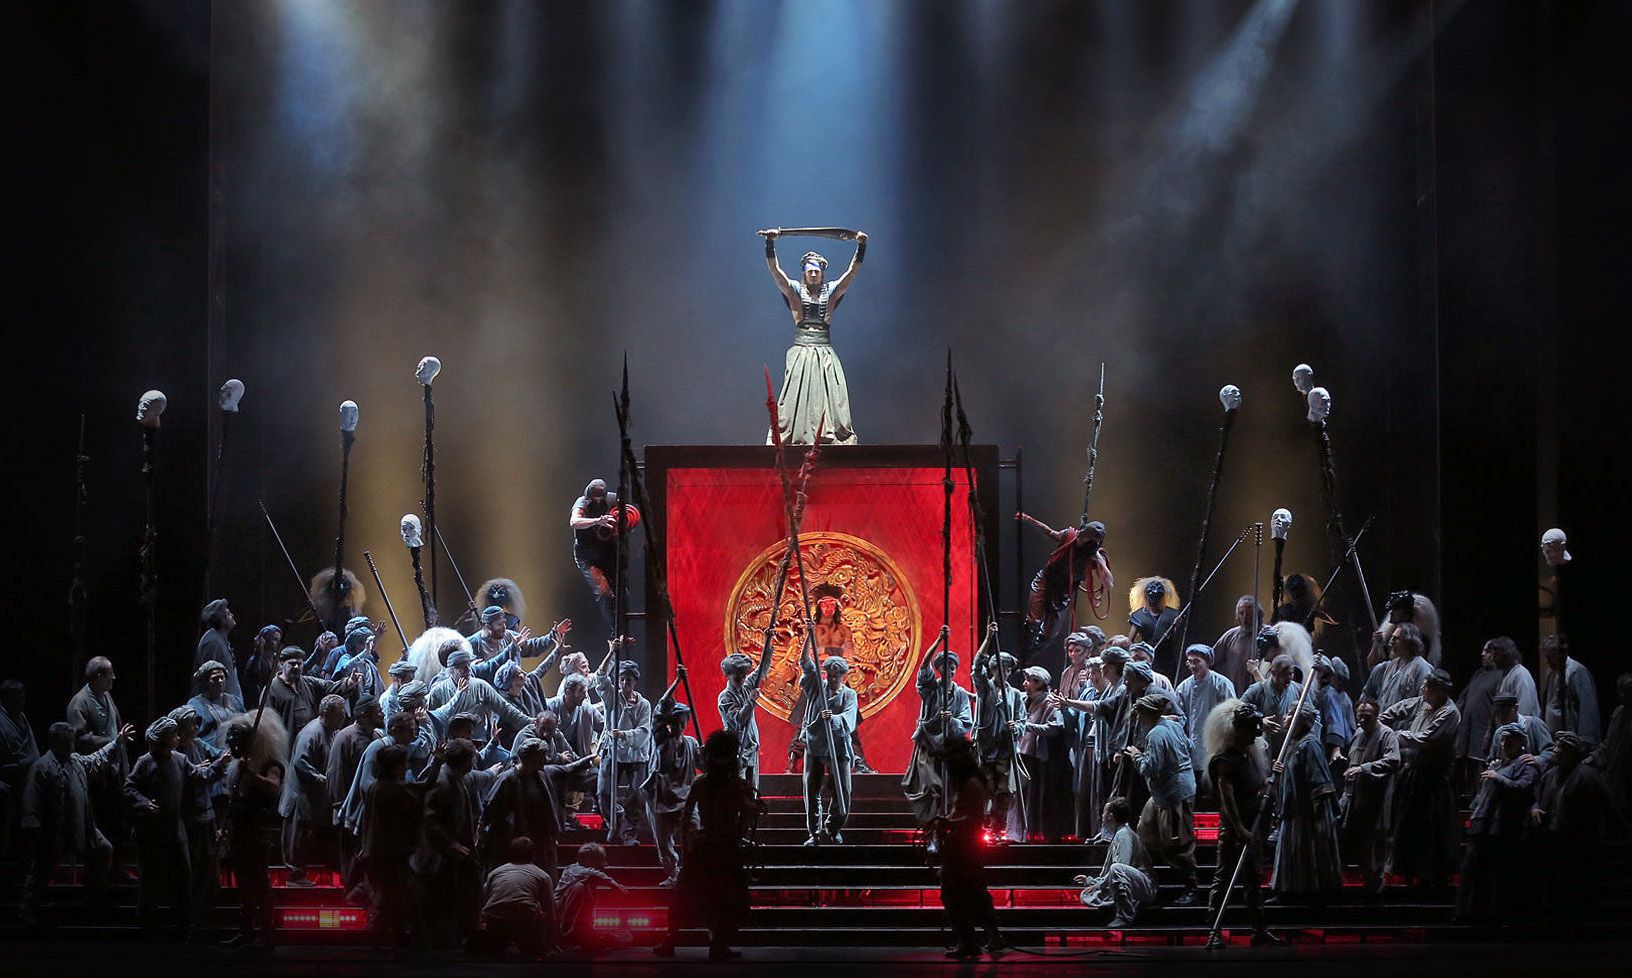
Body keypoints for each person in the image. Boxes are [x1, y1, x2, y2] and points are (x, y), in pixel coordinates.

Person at [654, 730, 767, 961]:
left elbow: (686, 818)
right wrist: (753, 808)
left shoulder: (704, 782)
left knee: (689, 897)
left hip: (705, 846)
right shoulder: (735, 785)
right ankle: (713, 944)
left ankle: (674, 941)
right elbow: (748, 810)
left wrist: (688, 846)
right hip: (722, 848)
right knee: (721, 899)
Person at [18, 720, 133, 924]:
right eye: (65, 742)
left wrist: (116, 742)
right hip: (53, 828)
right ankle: (28, 910)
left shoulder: (76, 761)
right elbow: (31, 800)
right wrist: (32, 826)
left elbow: (96, 759)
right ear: (55, 743)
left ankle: (94, 899)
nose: (70, 746)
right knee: (42, 868)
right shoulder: (42, 767)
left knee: (103, 850)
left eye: (71, 742)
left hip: (81, 824)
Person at [762, 227, 866, 446]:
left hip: (824, 351)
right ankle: (794, 438)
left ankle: (830, 435)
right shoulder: (795, 290)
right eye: (810, 271)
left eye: (816, 271)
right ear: (804, 273)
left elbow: (851, 274)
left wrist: (861, 246)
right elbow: (775, 271)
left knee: (832, 398)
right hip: (801, 350)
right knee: (794, 397)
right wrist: (770, 243)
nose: (813, 274)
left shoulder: (831, 291)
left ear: (822, 273)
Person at [124, 716, 228, 935]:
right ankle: (148, 921)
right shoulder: (145, 762)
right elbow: (129, 788)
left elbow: (200, 776)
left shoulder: (180, 759)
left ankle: (183, 920)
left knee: (183, 875)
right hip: (152, 831)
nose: (178, 738)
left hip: (176, 829)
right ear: (165, 739)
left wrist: (220, 764)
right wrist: (144, 803)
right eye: (174, 735)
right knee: (152, 877)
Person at [1203, 701, 1281, 948]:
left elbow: (1254, 788)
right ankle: (1214, 931)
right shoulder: (1225, 760)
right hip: (1233, 828)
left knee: (1253, 880)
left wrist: (1269, 780)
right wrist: (1239, 829)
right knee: (1224, 877)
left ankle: (1259, 930)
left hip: (1251, 825)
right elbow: (1227, 798)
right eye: (1251, 728)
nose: (1255, 733)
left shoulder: (1248, 756)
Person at [1532, 731, 1625, 931]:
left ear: (1572, 753)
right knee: (1555, 881)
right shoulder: (1551, 775)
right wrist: (1536, 808)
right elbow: (1537, 798)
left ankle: (1575, 922)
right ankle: (1557, 918)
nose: (1555, 751)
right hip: (1554, 838)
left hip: (1578, 840)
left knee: (1576, 882)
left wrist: (1619, 828)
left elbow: (1608, 803)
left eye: (1560, 748)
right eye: (1556, 746)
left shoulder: (1588, 775)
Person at [1380, 669, 1461, 894]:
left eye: (1427, 687)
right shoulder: (1424, 702)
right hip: (1413, 775)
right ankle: (1409, 872)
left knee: (1431, 830)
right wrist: (1380, 720)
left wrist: (1393, 736)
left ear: (1438, 690)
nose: (1422, 690)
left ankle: (1432, 878)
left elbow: (1425, 738)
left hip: (1433, 779)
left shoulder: (1449, 713)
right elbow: (1401, 708)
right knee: (1408, 826)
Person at [1455, 723, 1540, 925]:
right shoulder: (1498, 765)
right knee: (1472, 872)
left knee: (1496, 874)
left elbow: (1524, 788)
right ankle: (1468, 913)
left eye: (1510, 740)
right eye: (1503, 740)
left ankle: (1493, 916)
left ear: (1520, 742)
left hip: (1501, 828)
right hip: (1483, 825)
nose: (1505, 744)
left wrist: (1498, 778)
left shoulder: (1525, 765)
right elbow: (1482, 796)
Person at [929, 739, 1005, 960]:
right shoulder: (967, 783)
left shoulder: (971, 784)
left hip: (965, 848)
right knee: (974, 893)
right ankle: (987, 937)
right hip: (961, 846)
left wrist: (948, 823)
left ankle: (970, 941)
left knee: (956, 895)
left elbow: (972, 819)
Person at [482, 737, 596, 880]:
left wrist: (585, 761)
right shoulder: (508, 779)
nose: (545, 760)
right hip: (515, 840)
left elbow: (567, 769)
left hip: (540, 839)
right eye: (542, 757)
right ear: (531, 759)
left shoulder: (543, 774)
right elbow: (490, 809)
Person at [1125, 692, 1200, 904]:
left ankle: (1191, 887)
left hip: (1174, 794)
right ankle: (1150, 878)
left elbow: (1150, 768)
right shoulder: (1172, 726)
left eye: (1140, 715)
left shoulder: (1155, 735)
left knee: (1177, 842)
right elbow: (1190, 747)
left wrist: (1136, 756)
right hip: (1166, 792)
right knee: (1145, 830)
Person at [411, 737, 483, 949]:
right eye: (471, 759)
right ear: (464, 761)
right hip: (434, 860)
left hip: (447, 858)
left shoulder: (455, 777)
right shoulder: (442, 782)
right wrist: (452, 845)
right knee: (435, 909)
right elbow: (430, 821)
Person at [220, 716, 284, 950]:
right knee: (244, 885)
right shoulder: (237, 766)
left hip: (258, 833)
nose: (234, 749)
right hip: (239, 832)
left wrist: (252, 775)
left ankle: (267, 933)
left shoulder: (270, 764)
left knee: (259, 883)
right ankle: (246, 931)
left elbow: (273, 787)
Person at [1269, 704, 1343, 904]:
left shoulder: (1310, 745)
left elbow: (1319, 780)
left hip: (1307, 813)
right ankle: (1288, 891)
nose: (1285, 717)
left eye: (1290, 714)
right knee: (1293, 851)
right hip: (1293, 810)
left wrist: (1318, 815)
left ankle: (1310, 894)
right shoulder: (1294, 743)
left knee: (1308, 851)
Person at [1013, 513, 1113, 660]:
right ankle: (1020, 655)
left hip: (1063, 591)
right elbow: (1049, 532)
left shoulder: (1094, 557)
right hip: (1046, 580)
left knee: (1048, 634)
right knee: (1033, 621)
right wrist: (1029, 519)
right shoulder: (1070, 536)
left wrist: (1099, 561)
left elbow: (1108, 583)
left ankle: (1025, 657)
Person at [903, 626, 975, 825]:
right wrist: (939, 640)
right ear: (939, 669)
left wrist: (951, 720)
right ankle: (930, 821)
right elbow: (924, 666)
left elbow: (965, 722)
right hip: (928, 743)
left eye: (952, 667)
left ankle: (946, 821)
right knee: (929, 785)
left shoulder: (960, 694)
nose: (949, 670)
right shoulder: (930, 688)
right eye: (945, 667)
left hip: (949, 747)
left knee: (949, 786)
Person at [277, 693, 347, 886]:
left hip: (315, 797)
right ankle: (295, 876)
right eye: (340, 713)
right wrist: (320, 777)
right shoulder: (312, 732)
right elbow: (301, 762)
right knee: (296, 837)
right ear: (327, 714)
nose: (344, 716)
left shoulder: (331, 731)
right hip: (300, 796)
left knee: (309, 837)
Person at [356, 744, 420, 950]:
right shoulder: (393, 791)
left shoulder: (376, 787)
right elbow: (419, 795)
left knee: (386, 897)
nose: (406, 767)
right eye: (403, 763)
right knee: (388, 898)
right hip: (390, 853)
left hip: (377, 852)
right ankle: (379, 940)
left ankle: (384, 939)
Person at [1336, 699, 1399, 896]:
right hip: (1353, 798)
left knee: (1372, 844)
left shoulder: (1386, 734)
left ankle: (1375, 887)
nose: (1363, 720)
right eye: (1360, 716)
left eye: (1367, 717)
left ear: (1376, 715)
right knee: (1351, 840)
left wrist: (1364, 768)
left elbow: (1393, 760)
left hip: (1375, 800)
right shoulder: (1358, 733)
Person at [595, 647, 654, 845]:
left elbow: (644, 730)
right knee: (603, 792)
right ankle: (616, 820)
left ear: (634, 681)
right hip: (613, 752)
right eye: (621, 679)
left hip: (636, 755)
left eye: (628, 680)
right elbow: (601, 677)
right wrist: (611, 652)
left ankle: (629, 833)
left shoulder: (644, 704)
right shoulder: (612, 696)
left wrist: (624, 734)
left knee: (636, 794)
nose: (624, 683)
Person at [799, 652, 859, 845]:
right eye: (829, 675)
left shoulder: (849, 695)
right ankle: (814, 832)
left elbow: (850, 718)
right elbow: (805, 664)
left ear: (843, 676)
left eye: (836, 676)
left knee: (843, 789)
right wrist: (807, 638)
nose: (832, 679)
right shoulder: (817, 687)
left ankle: (834, 827)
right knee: (811, 788)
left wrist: (833, 719)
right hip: (815, 744)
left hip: (838, 746)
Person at [66, 656, 129, 838]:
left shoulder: (106, 695)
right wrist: (110, 741)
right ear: (99, 676)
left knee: (117, 820)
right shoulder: (79, 703)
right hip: (96, 774)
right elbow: (79, 739)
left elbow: (116, 725)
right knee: (102, 820)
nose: (114, 677)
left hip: (114, 770)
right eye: (110, 674)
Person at [646, 678, 700, 885]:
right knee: (664, 842)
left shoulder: (691, 744)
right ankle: (673, 874)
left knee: (694, 832)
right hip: (662, 798)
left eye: (681, 723)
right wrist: (677, 681)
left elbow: (704, 765)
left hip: (685, 799)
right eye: (674, 723)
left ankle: (691, 871)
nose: (678, 727)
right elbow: (660, 710)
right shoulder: (661, 740)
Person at [971, 629, 1024, 836]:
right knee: (985, 787)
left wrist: (1015, 727)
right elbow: (976, 667)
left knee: (1003, 790)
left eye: (1008, 669)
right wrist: (988, 638)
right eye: (1001, 669)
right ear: (993, 669)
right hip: (986, 746)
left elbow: (1022, 719)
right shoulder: (985, 688)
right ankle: (981, 826)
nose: (1004, 673)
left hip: (1004, 748)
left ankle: (999, 827)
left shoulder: (1015, 694)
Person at [1075, 796, 1156, 928]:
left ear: (1110, 816)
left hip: (1144, 886)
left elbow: (1120, 869)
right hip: (1135, 882)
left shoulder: (1123, 835)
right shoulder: (1119, 833)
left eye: (1104, 812)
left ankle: (1125, 916)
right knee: (1088, 894)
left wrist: (1098, 885)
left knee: (1116, 868)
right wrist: (1092, 881)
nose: (1102, 816)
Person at [327, 694, 383, 884]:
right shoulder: (345, 737)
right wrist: (340, 806)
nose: (382, 714)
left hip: (367, 812)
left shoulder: (376, 736)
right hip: (348, 811)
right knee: (350, 861)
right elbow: (335, 773)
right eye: (377, 711)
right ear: (364, 715)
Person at [429, 647, 534, 749]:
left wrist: (529, 722)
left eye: (469, 665)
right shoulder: (438, 691)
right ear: (452, 670)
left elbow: (504, 709)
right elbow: (431, 721)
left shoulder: (481, 686)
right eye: (462, 667)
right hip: (451, 746)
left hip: (477, 743)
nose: (468, 670)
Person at [479, 837, 557, 958]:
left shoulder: (495, 873)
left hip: (496, 921)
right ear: (533, 854)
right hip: (524, 923)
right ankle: (538, 948)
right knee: (541, 914)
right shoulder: (542, 875)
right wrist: (552, 939)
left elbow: (485, 899)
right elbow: (550, 908)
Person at [1013, 665, 1065, 841]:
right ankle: (1024, 831)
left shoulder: (1048, 702)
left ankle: (1038, 832)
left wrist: (1027, 726)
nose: (1024, 684)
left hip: (1039, 757)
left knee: (1038, 796)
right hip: (1024, 753)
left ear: (1039, 683)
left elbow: (1055, 727)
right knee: (1023, 794)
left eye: (1028, 681)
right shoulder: (1026, 700)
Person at [1176, 643, 1237, 790]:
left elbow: (1232, 711)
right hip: (1192, 743)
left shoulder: (1221, 683)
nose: (1193, 665)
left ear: (1208, 662)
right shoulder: (1183, 687)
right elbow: (1179, 715)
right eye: (1190, 661)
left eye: (1197, 661)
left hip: (1216, 742)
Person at [465, 605, 570, 686]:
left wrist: (552, 635)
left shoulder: (509, 636)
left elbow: (532, 646)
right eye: (500, 625)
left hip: (514, 690)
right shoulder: (471, 645)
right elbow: (475, 671)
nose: (504, 627)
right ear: (488, 627)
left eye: (504, 623)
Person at [266, 647, 357, 740]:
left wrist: (349, 682)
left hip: (310, 738)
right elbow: (268, 721)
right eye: (292, 664)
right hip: (287, 740)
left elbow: (329, 687)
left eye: (299, 664)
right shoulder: (272, 689)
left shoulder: (308, 682)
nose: (296, 667)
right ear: (282, 663)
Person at [555, 842, 632, 952]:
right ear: (588, 860)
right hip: (561, 922)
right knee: (579, 888)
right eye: (600, 860)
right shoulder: (573, 870)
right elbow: (593, 873)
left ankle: (582, 937)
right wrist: (614, 884)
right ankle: (565, 938)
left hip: (580, 927)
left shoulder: (588, 879)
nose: (605, 864)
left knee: (625, 936)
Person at [569, 479, 623, 633]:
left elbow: (628, 513)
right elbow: (574, 522)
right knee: (603, 590)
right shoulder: (582, 503)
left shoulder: (613, 499)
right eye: (594, 499)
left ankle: (622, 628)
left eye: (600, 499)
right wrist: (597, 521)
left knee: (620, 589)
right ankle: (615, 631)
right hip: (588, 555)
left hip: (608, 551)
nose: (597, 502)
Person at [718, 642, 772, 787]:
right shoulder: (725, 697)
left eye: (743, 676)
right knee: (737, 787)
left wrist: (768, 643)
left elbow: (762, 669)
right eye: (737, 678)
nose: (742, 680)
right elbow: (739, 719)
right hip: (736, 748)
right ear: (727, 675)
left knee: (752, 788)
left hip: (751, 746)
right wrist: (750, 701)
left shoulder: (746, 687)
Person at [1456, 639, 1505, 796]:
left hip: (1483, 735)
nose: (1483, 654)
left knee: (1482, 777)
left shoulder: (1501, 676)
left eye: (1487, 651)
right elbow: (1463, 698)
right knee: (1468, 778)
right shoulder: (1479, 674)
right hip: (1468, 734)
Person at [0, 680, 40, 860]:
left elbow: (31, 749)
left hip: (27, 783)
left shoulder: (21, 717)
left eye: (23, 699)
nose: (22, 703)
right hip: (8, 784)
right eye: (17, 699)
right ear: (6, 699)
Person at [1358, 623, 1433, 712]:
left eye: (1396, 638)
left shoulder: (1421, 668)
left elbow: (1425, 701)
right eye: (1392, 637)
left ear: (1408, 641)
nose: (1391, 641)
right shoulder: (1389, 667)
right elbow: (1368, 693)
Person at [1587, 673, 1632, 818]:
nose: (1623, 695)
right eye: (1621, 691)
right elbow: (1608, 743)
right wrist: (1594, 756)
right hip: (1615, 777)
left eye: (1627, 691)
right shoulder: (1618, 713)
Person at [1540, 634, 1600, 741]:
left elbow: (1587, 708)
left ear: (1560, 655)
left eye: (1550, 657)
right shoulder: (1551, 672)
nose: (1547, 661)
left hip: (1570, 735)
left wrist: (1585, 738)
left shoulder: (1576, 672)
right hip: (1553, 736)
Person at [187, 660, 244, 752]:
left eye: (222, 677)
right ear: (206, 681)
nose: (220, 681)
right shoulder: (196, 705)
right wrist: (215, 753)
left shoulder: (235, 701)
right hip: (211, 753)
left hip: (236, 751)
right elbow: (194, 737)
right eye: (215, 679)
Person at [1211, 596, 1262, 695]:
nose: (1245, 618)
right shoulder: (1230, 636)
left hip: (1257, 694)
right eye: (1242, 613)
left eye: (1250, 614)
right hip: (1233, 693)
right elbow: (1212, 659)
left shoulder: (1265, 635)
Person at [1487, 692, 1552, 765]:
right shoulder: (1499, 733)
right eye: (1498, 714)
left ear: (1515, 708)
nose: (1501, 717)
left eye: (1505, 713)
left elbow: (1550, 752)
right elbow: (1492, 758)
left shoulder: (1534, 724)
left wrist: (1538, 759)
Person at [196, 598, 242, 701]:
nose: (232, 615)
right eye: (228, 614)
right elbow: (208, 678)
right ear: (222, 620)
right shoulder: (212, 642)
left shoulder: (221, 639)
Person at [1127, 578, 1181, 659]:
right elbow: (1129, 641)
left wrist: (1177, 627)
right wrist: (1138, 653)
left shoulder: (1172, 614)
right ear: (1146, 597)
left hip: (1167, 657)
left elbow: (1178, 640)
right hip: (1147, 657)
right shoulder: (1139, 616)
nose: (1154, 603)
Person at [1487, 636, 1540, 718]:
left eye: (1496, 655)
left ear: (1505, 656)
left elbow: (1524, 711)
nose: (1493, 659)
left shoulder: (1521, 675)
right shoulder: (1506, 675)